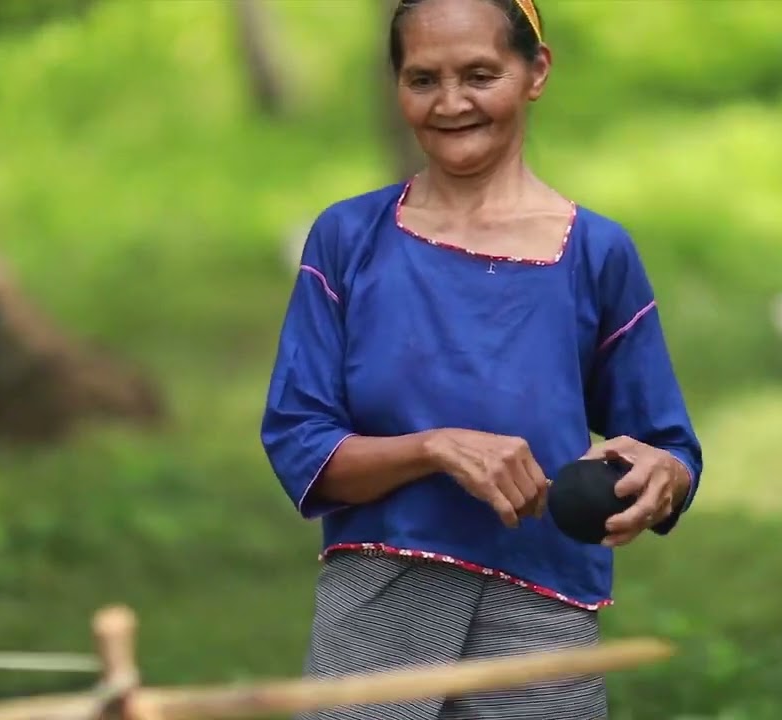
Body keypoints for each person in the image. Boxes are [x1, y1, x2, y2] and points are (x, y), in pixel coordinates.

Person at [260, 0, 703, 717]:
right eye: (423, 79)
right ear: (395, 86)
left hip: (542, 604)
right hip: (377, 606)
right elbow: (299, 443)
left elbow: (667, 442)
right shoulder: (348, 240)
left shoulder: (596, 253)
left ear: (537, 71)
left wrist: (666, 476)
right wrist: (434, 448)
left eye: (479, 74)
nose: (452, 102)